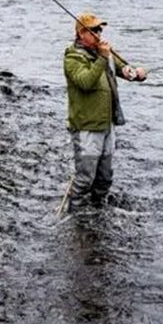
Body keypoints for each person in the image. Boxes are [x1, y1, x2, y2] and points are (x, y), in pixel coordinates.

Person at [63, 12, 146, 212]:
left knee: (105, 177)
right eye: (94, 30)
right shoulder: (73, 57)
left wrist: (135, 74)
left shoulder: (104, 54)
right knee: (85, 178)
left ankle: (98, 211)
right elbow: (86, 81)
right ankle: (76, 217)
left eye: (100, 29)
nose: (99, 34)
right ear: (81, 33)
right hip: (87, 127)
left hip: (107, 124)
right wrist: (102, 57)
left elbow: (123, 68)